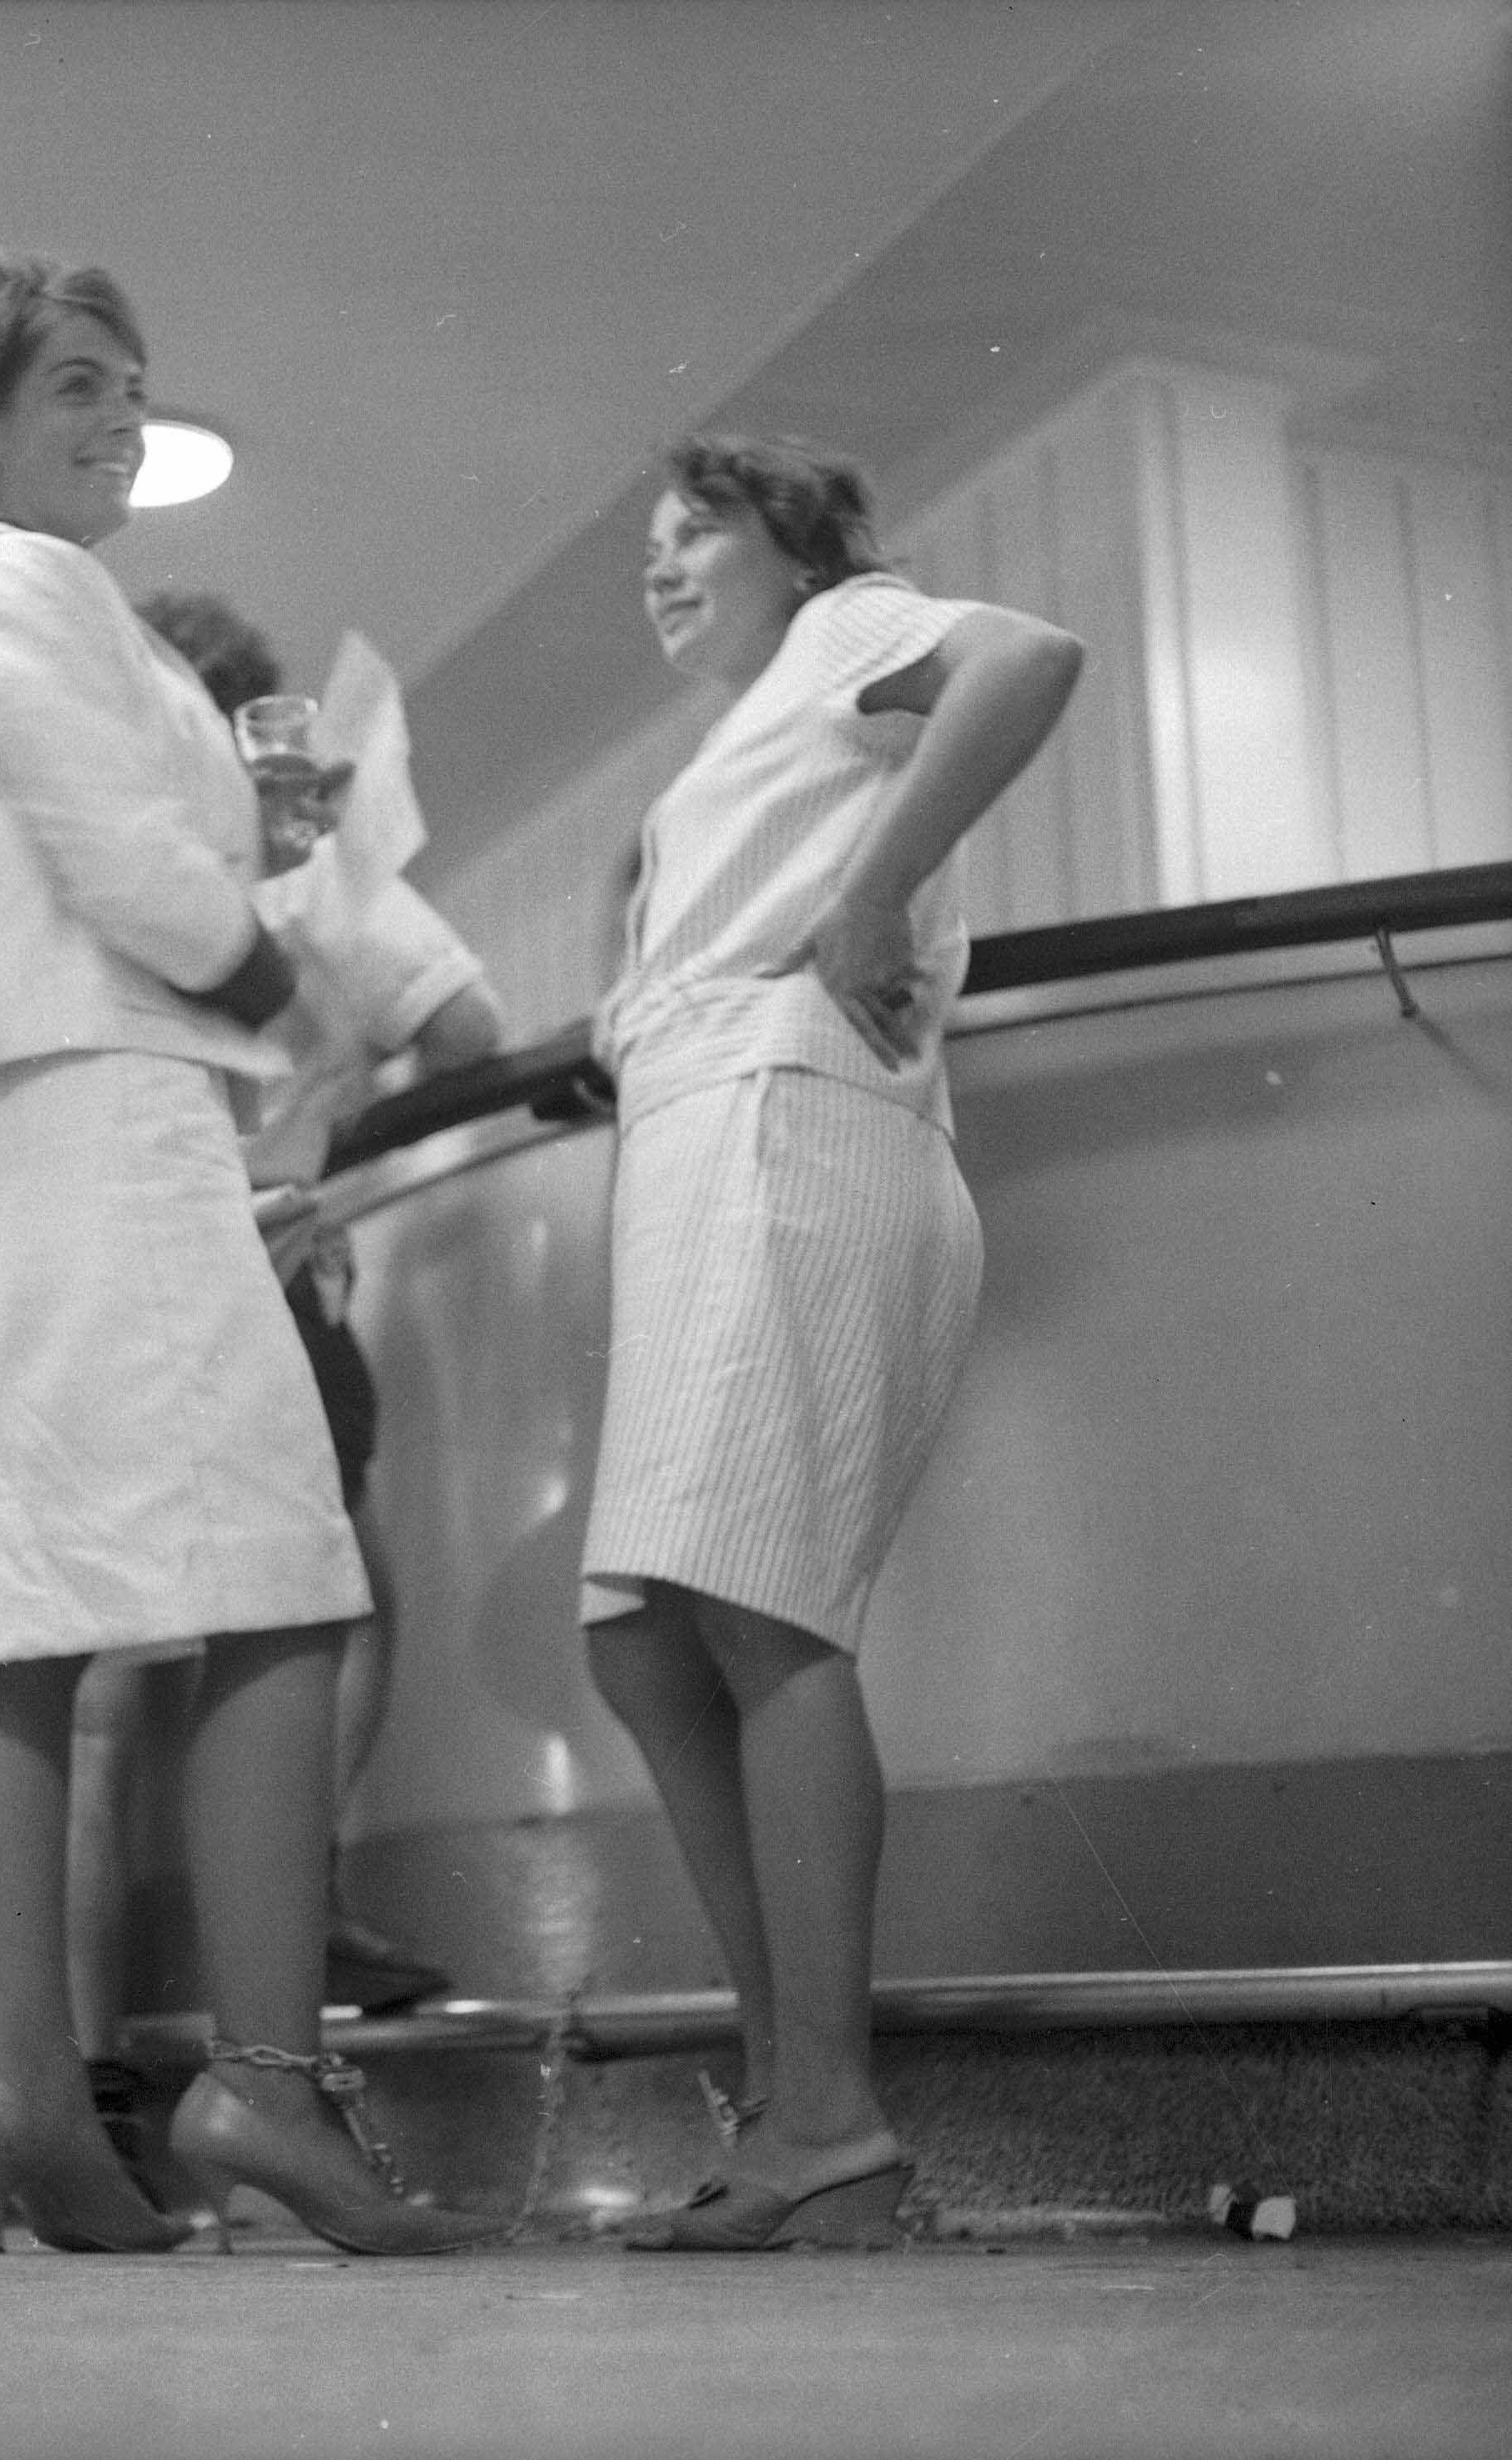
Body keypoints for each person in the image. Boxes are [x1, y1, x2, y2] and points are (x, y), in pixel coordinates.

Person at [0, 247, 502, 2255]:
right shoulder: (20, 583)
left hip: (30, 1120)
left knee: (19, 1613)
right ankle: (264, 2082)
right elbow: (123, 861)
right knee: (284, 1581)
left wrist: (259, 848)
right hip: (93, 1110)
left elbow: (147, 841)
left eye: (132, 385)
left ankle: (31, 2094)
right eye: (77, 383)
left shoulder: (34, 606)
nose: (123, 418)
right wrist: (284, 987)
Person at [579, 433, 1082, 2251]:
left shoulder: (846, 627)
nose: (660, 564)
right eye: (648, 542)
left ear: (799, 548)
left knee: (755, 1606)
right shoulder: (748, 730)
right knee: (645, 1638)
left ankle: (828, 2117)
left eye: (696, 530)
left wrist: (871, 893)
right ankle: (794, 2096)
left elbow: (1025, 657)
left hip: (789, 1126)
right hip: (712, 1139)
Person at [134, 588, 504, 2013]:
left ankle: (128, 2019)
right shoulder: (298, 867)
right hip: (276, 1253)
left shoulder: (116, 860)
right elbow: (467, 1025)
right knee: (334, 1600)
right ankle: (297, 1927)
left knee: (123, 1669)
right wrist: (342, 1089)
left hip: (147, 1256)